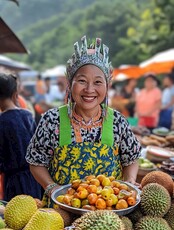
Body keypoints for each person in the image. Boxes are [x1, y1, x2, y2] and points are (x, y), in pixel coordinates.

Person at [26, 36, 141, 202]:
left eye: (97, 82)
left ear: (107, 86)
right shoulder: (52, 120)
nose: (89, 89)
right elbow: (36, 161)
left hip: (108, 216)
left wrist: (129, 181)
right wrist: (51, 187)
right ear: (70, 83)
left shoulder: (117, 121)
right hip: (61, 211)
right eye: (82, 81)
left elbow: (132, 158)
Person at [0, 73, 42, 201]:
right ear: (14, 94)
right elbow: (38, 146)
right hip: (34, 177)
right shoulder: (27, 115)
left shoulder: (1, 121)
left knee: (16, 216)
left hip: (13, 182)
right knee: (35, 213)